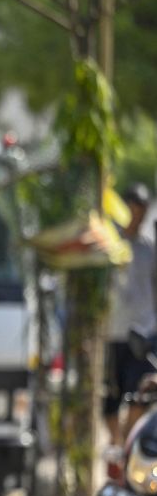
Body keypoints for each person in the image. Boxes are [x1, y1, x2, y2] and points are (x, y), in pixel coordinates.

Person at [104, 183, 156, 452]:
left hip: (144, 334)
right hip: (112, 333)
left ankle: (124, 445)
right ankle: (116, 442)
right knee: (110, 400)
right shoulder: (107, 244)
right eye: (135, 210)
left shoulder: (150, 249)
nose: (139, 216)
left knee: (141, 395)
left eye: (143, 211)